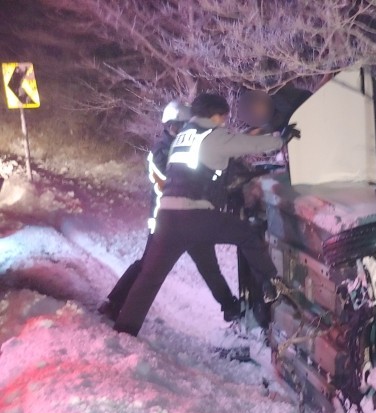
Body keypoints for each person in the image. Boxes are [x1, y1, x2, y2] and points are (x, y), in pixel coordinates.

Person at [113, 92, 294, 337]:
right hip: (194, 215)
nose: (225, 122)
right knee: (247, 235)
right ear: (217, 115)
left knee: (151, 278)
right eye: (224, 117)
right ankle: (271, 283)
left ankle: (124, 329)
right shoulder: (213, 135)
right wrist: (281, 139)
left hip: (167, 219)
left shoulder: (182, 138)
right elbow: (247, 145)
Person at [99, 101, 242, 323]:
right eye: (175, 126)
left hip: (193, 218)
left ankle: (230, 307)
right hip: (165, 223)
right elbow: (169, 182)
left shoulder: (191, 149)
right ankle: (114, 303)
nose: (179, 130)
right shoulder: (160, 151)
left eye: (183, 126)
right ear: (167, 126)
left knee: (208, 265)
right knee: (147, 268)